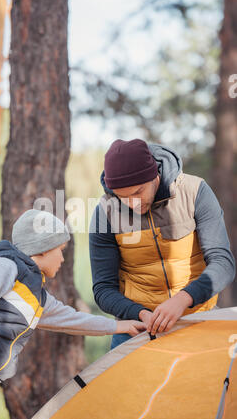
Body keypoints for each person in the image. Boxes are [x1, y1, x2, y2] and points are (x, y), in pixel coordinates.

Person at [0, 209, 146, 419]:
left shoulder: (37, 296)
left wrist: (123, 326)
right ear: (44, 247)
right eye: (61, 251)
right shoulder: (4, 266)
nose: (63, 259)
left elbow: (74, 320)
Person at [89, 138, 236, 349]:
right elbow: (103, 289)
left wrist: (184, 299)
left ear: (154, 176)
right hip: (138, 328)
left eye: (138, 192)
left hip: (199, 319)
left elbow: (223, 263)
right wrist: (141, 314)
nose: (133, 203)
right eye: (123, 197)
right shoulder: (105, 212)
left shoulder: (195, 192)